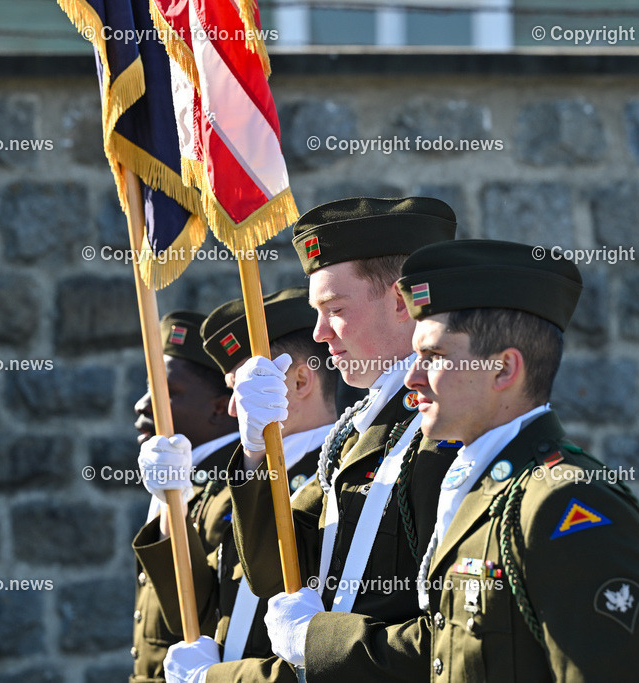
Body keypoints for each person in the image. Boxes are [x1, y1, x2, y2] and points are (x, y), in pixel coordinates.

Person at [266, 239, 639, 681]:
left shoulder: (565, 503)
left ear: (503, 369)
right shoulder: (478, 490)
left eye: (435, 357)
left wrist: (319, 639)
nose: (412, 376)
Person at [169, 197, 461, 680]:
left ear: (399, 300)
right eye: (316, 312)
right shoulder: (355, 433)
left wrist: (316, 641)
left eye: (335, 308)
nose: (322, 333)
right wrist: (257, 451)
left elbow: (453, 641)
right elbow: (272, 569)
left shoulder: (448, 428)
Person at [138, 287, 342, 682]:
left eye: (245, 388)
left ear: (301, 381)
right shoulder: (235, 480)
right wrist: (171, 503)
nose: (233, 409)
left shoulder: (339, 476)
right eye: (232, 391)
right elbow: (195, 611)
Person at [131, 311, 240, 683]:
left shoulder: (236, 485)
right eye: (149, 389)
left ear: (217, 407)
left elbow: (210, 610)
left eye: (166, 393)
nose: (143, 405)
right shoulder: (183, 477)